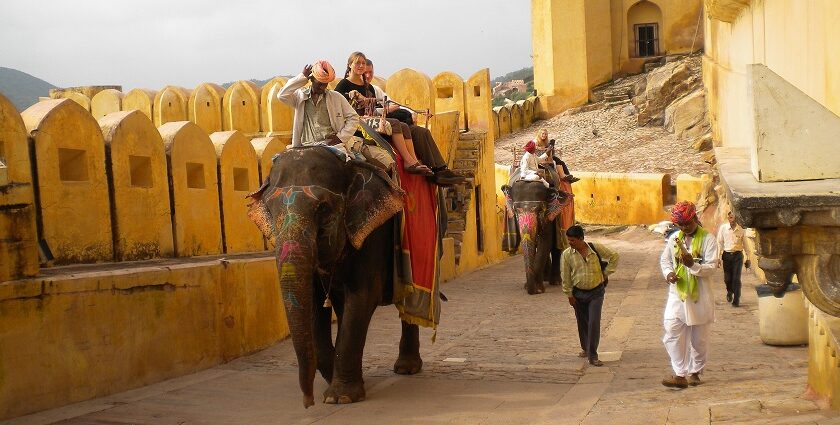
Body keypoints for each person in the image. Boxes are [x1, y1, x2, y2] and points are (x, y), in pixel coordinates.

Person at [363, 57, 465, 187]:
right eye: (365, 72)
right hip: (378, 126)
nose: (368, 75)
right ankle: (426, 169)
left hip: (390, 124)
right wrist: (384, 109)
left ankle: (440, 169)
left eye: (370, 72)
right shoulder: (355, 89)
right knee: (403, 126)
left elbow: (394, 103)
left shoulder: (375, 89)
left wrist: (410, 112)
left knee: (422, 132)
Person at [334, 52, 432, 176]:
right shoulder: (344, 84)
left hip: (369, 118)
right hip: (356, 122)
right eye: (357, 63)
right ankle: (408, 161)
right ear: (349, 65)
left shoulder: (368, 87)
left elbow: (374, 108)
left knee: (405, 126)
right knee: (395, 123)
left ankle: (413, 161)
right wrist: (349, 95)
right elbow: (336, 101)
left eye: (363, 63)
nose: (361, 65)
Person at [660, 201, 718, 388]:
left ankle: (694, 371)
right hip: (677, 294)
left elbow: (711, 267)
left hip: (699, 295)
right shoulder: (674, 238)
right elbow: (666, 260)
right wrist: (669, 274)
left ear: (694, 218)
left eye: (687, 224)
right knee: (672, 332)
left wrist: (692, 265)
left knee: (698, 340)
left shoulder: (708, 239)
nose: (684, 228)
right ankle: (679, 374)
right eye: (681, 225)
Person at [561, 225, 619, 367]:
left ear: (581, 239)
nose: (570, 243)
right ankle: (585, 347)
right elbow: (566, 276)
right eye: (569, 240)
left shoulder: (595, 249)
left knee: (593, 322)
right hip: (578, 293)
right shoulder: (567, 255)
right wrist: (569, 294)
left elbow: (614, 256)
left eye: (573, 240)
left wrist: (606, 273)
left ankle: (593, 355)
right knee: (582, 322)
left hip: (596, 292)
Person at [275, 60, 360, 152]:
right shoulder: (299, 97)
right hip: (305, 147)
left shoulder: (336, 97)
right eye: (320, 84)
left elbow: (354, 117)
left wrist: (340, 137)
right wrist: (302, 77)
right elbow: (281, 95)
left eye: (325, 84)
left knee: (346, 164)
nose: (322, 87)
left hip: (331, 146)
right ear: (311, 79)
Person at [717, 211, 750, 307]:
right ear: (728, 218)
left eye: (733, 217)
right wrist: (718, 257)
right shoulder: (723, 228)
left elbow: (745, 245)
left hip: (738, 256)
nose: (731, 219)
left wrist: (747, 258)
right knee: (727, 279)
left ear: (737, 219)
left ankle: (736, 299)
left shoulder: (741, 229)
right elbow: (719, 242)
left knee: (736, 278)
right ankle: (729, 291)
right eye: (730, 217)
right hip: (726, 255)